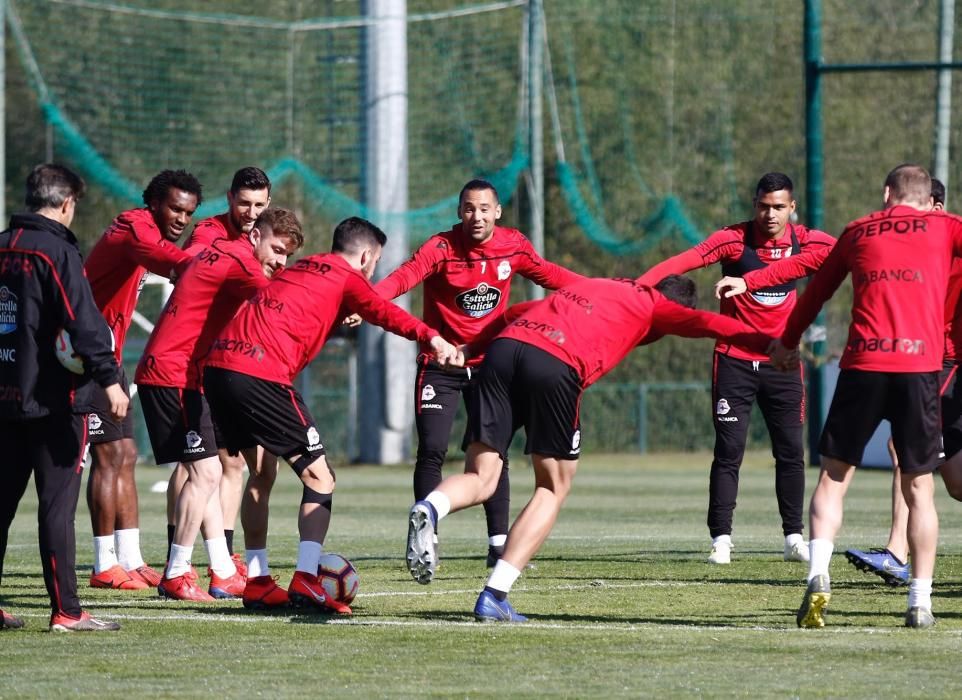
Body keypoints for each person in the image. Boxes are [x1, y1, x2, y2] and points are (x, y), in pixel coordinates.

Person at [405, 274, 774, 622]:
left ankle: (431, 507)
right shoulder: (655, 306)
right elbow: (714, 325)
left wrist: (471, 347)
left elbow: (514, 313)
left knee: (481, 476)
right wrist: (771, 342)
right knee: (552, 487)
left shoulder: (597, 285)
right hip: (553, 362)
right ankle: (494, 596)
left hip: (504, 350)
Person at [203, 216, 458, 614]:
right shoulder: (347, 276)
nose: (373, 271)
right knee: (320, 476)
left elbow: (298, 308)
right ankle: (306, 578)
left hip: (219, 367)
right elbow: (383, 312)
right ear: (368, 256)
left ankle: (257, 580)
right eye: (375, 264)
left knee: (260, 474)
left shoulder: (304, 266)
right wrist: (432, 336)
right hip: (260, 372)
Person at [775, 164, 962, 629]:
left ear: (886, 194)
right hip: (920, 367)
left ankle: (818, 573)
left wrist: (787, 342)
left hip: (862, 365)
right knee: (920, 488)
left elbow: (815, 294)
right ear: (928, 200)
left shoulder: (858, 230)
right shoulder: (945, 228)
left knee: (833, 479)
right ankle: (920, 601)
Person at [371, 179, 582, 565]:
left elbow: (551, 275)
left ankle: (498, 544)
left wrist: (601, 290)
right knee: (432, 450)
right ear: (459, 211)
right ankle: (425, 537)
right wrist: (370, 300)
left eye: (484, 208)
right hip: (441, 364)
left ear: (497, 212)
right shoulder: (440, 248)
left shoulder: (513, 245)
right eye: (469, 208)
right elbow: (404, 277)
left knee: (493, 452)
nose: (477, 216)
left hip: (491, 366)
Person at [637, 172, 835, 565]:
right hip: (734, 360)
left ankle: (794, 537)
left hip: (784, 362)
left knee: (791, 453)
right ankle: (721, 539)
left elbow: (842, 252)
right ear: (754, 205)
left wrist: (752, 281)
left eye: (779, 207)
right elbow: (685, 260)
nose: (771, 214)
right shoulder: (732, 239)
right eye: (764, 206)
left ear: (792, 208)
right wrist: (637, 284)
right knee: (729, 452)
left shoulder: (809, 242)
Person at [138, 208, 303, 602]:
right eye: (276, 250)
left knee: (212, 470)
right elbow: (280, 307)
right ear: (255, 236)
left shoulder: (227, 253)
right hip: (172, 373)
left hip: (187, 374)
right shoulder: (242, 264)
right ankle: (176, 573)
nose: (280, 262)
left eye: (287, 257)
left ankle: (222, 569)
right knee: (206, 474)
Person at [0, 164, 128, 631]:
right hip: (54, 400)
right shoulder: (56, 251)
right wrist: (110, 379)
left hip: (5, 396)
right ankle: (67, 612)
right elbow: (84, 322)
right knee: (56, 505)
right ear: (67, 203)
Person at [79, 169, 201, 590]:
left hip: (108, 358)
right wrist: (218, 264)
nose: (182, 219)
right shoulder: (135, 226)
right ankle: (102, 564)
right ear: (153, 203)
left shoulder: (153, 234)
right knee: (109, 456)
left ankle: (129, 559)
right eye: (175, 208)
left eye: (189, 212)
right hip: (82, 357)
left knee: (127, 453)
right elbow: (169, 261)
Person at [166, 166, 276, 578]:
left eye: (259, 205)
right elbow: (193, 267)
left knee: (234, 466)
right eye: (244, 203)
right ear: (229, 198)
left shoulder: (266, 237)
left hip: (238, 361)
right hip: (198, 361)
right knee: (194, 464)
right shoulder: (208, 234)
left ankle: (223, 555)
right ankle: (180, 554)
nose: (250, 212)